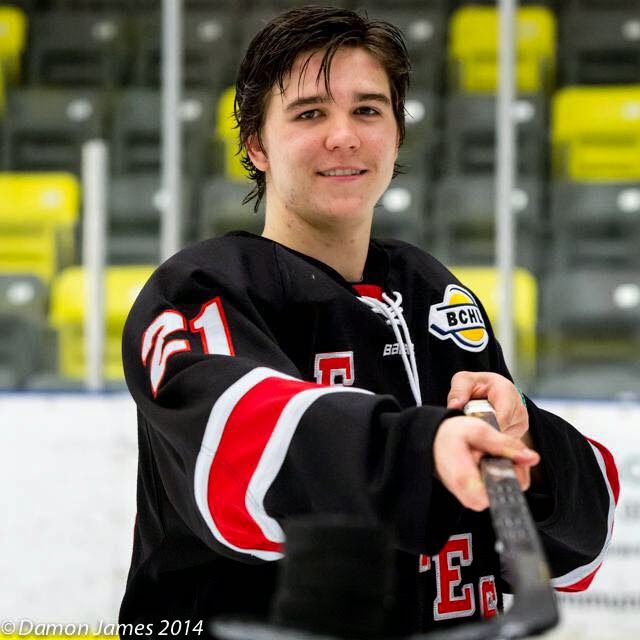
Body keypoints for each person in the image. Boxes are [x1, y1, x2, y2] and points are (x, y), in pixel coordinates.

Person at [119, 6, 619, 638]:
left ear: (397, 133)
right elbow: (238, 467)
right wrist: (419, 450)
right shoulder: (203, 292)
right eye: (309, 113)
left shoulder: (435, 294)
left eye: (367, 110)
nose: (344, 136)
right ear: (256, 144)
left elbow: (580, 551)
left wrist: (528, 446)